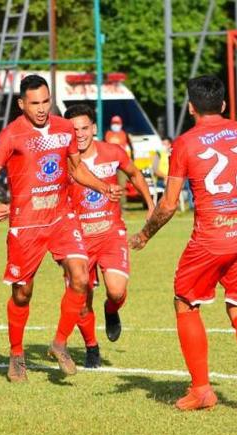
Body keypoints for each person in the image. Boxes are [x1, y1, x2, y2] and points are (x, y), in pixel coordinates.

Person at [129, 75, 237, 415]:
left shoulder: (185, 143)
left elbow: (169, 205)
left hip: (213, 238)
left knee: (185, 301)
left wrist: (143, 235)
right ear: (224, 105)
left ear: (191, 107)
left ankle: (202, 390)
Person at [0, 75, 123, 382]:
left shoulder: (63, 128)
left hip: (61, 218)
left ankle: (59, 343)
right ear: (21, 104)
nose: (42, 108)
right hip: (27, 223)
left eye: (46, 101)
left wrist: (103, 186)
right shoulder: (11, 136)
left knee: (81, 278)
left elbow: (75, 169)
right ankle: (17, 355)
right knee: (22, 293)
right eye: (35, 103)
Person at [64, 104, 155, 368]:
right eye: (73, 130)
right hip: (78, 238)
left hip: (110, 233)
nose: (79, 134)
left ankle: (111, 311)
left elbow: (135, 174)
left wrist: (150, 206)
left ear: (94, 128)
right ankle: (92, 348)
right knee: (81, 300)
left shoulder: (113, 152)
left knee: (116, 291)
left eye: (84, 128)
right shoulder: (64, 160)